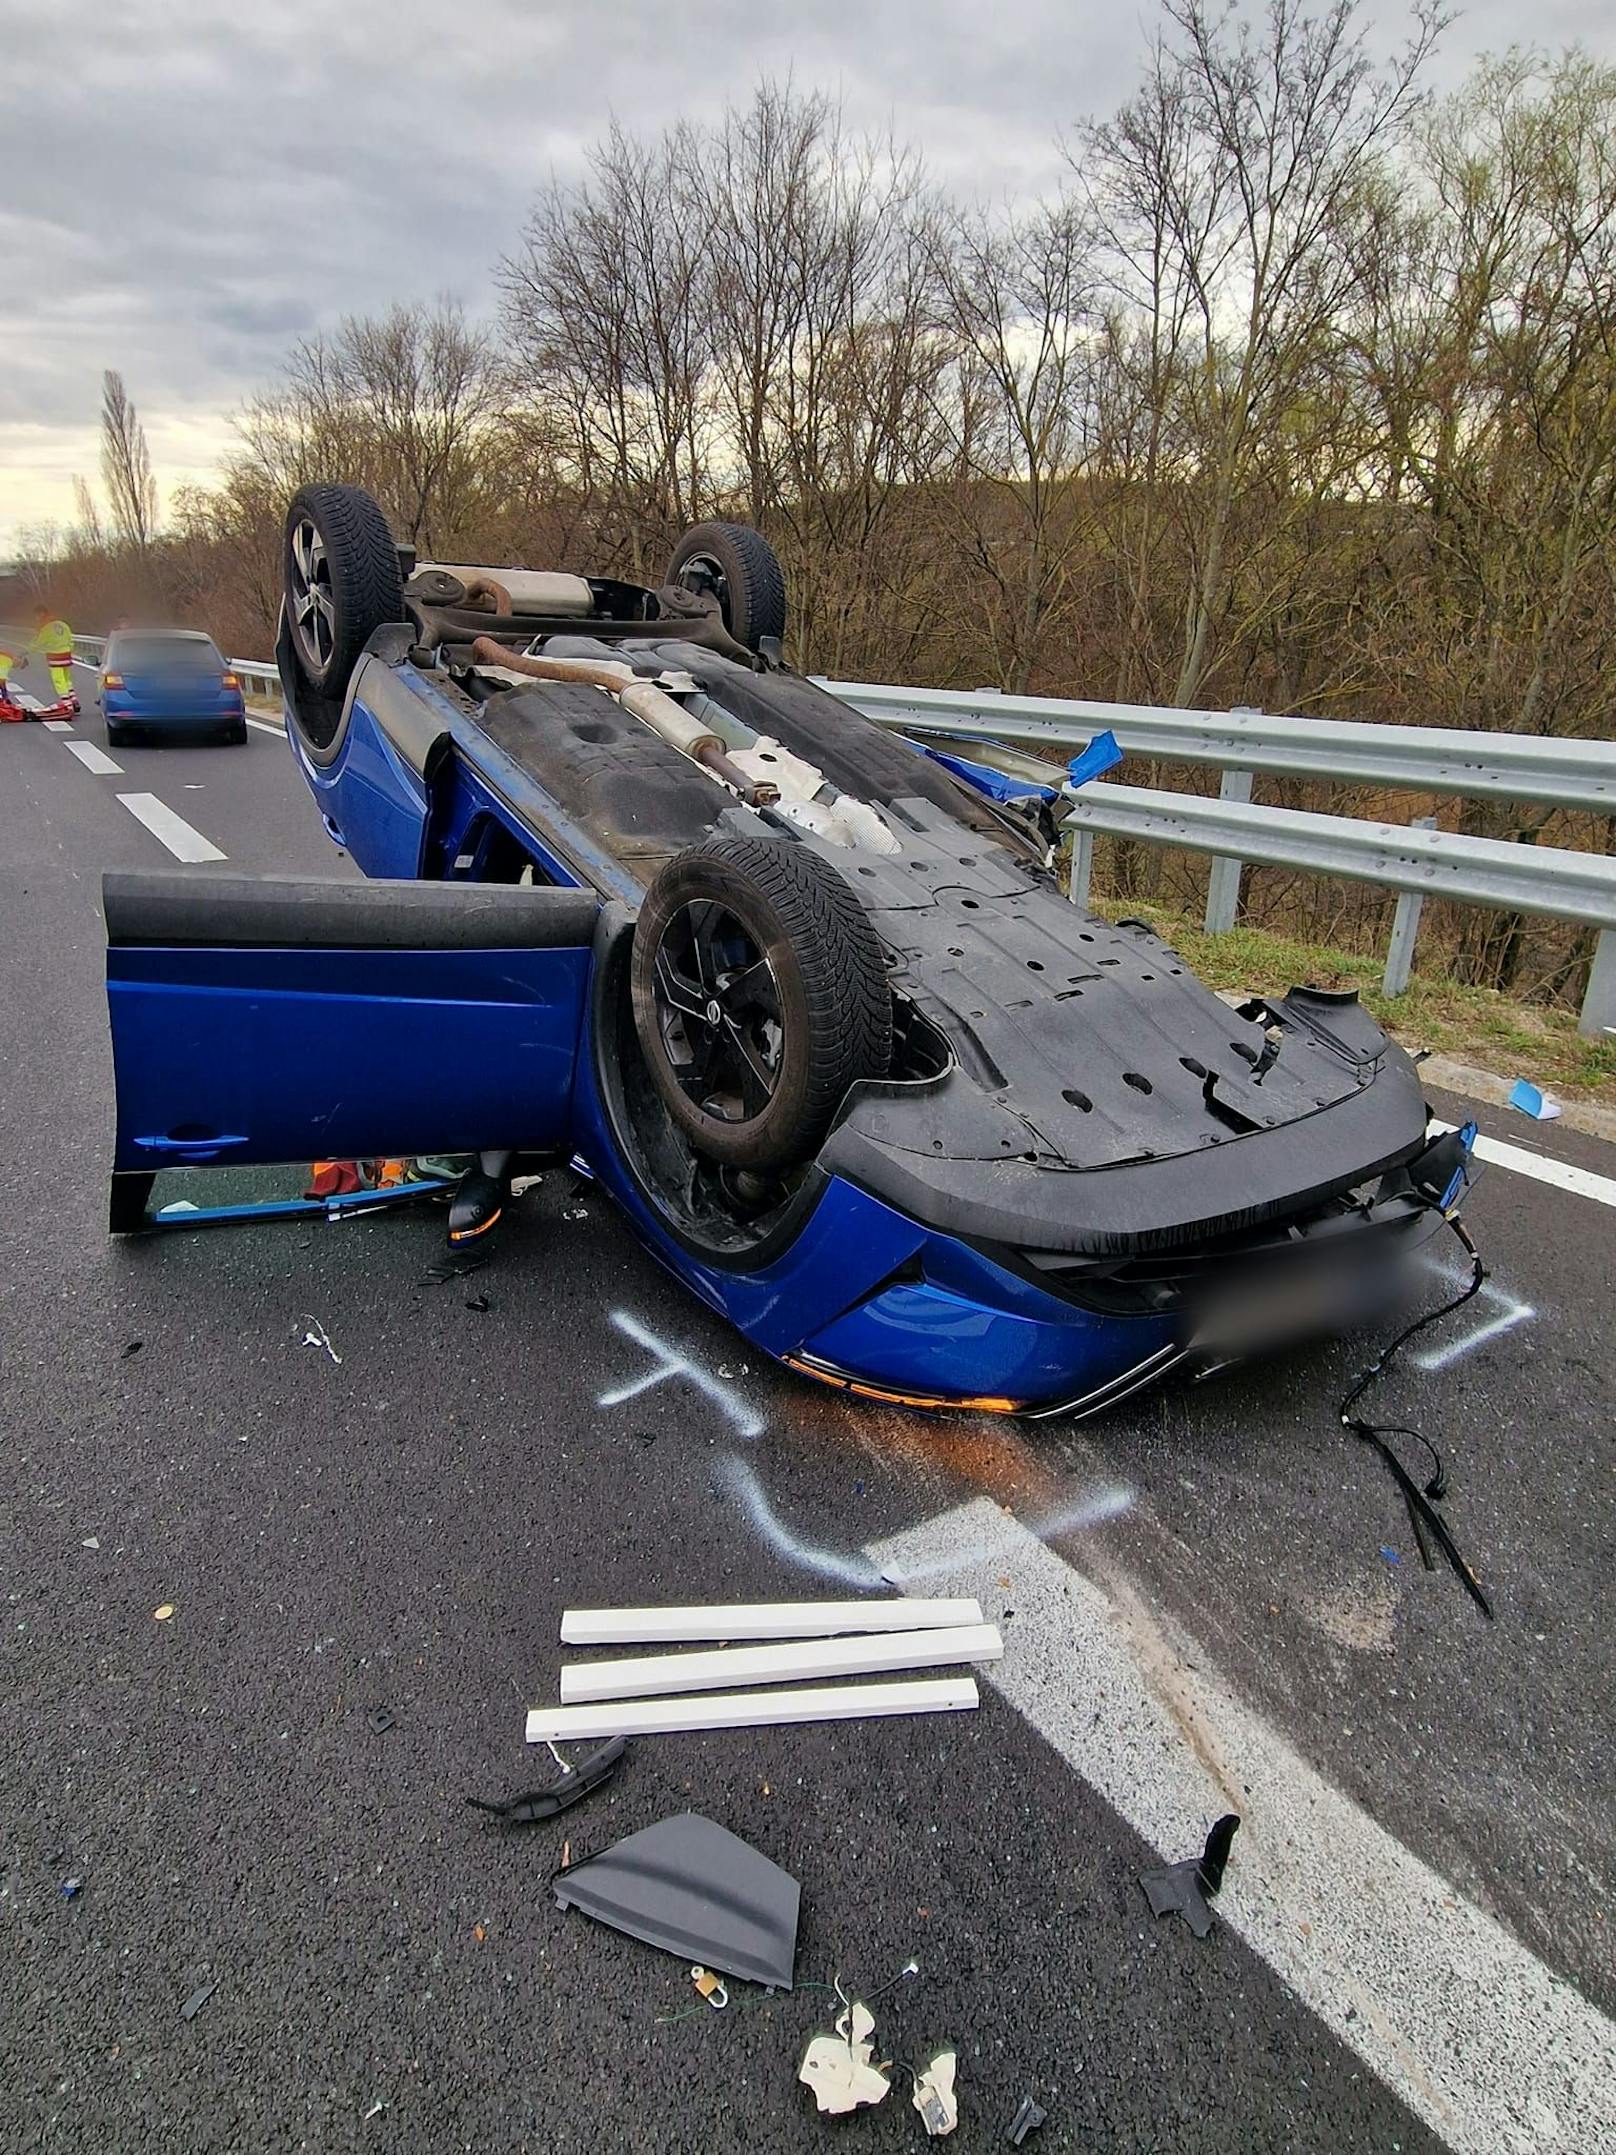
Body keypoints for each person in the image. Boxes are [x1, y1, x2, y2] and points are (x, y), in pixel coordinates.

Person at [30, 604, 78, 711]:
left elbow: (39, 642)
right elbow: (70, 639)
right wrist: (69, 649)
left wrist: (29, 650)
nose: (36, 618)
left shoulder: (45, 627)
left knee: (59, 681)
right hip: (66, 655)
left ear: (41, 614)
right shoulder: (62, 624)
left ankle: (67, 704)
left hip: (55, 657)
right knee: (67, 679)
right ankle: (74, 699)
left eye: (36, 616)